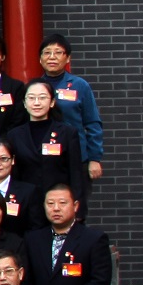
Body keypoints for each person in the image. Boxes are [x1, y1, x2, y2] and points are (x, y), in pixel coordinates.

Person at [5, 82, 88, 203]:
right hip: (26, 203)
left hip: (58, 203)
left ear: (52, 102)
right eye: (31, 98)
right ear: (24, 103)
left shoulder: (67, 133)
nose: (36, 103)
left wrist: (77, 203)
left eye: (42, 98)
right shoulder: (14, 135)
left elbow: (75, 173)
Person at [37, 34, 103, 183]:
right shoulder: (35, 87)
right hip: (44, 158)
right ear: (40, 59)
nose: (52, 57)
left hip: (77, 157)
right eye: (47, 53)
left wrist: (94, 158)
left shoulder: (80, 85)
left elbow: (93, 123)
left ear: (67, 58)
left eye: (58, 52)